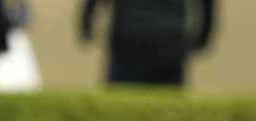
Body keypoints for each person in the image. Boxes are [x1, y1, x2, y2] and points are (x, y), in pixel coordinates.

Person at [80, 0, 215, 86]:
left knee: (121, 112)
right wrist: (203, 37)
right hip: (168, 43)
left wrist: (86, 24)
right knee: (168, 115)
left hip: (128, 42)